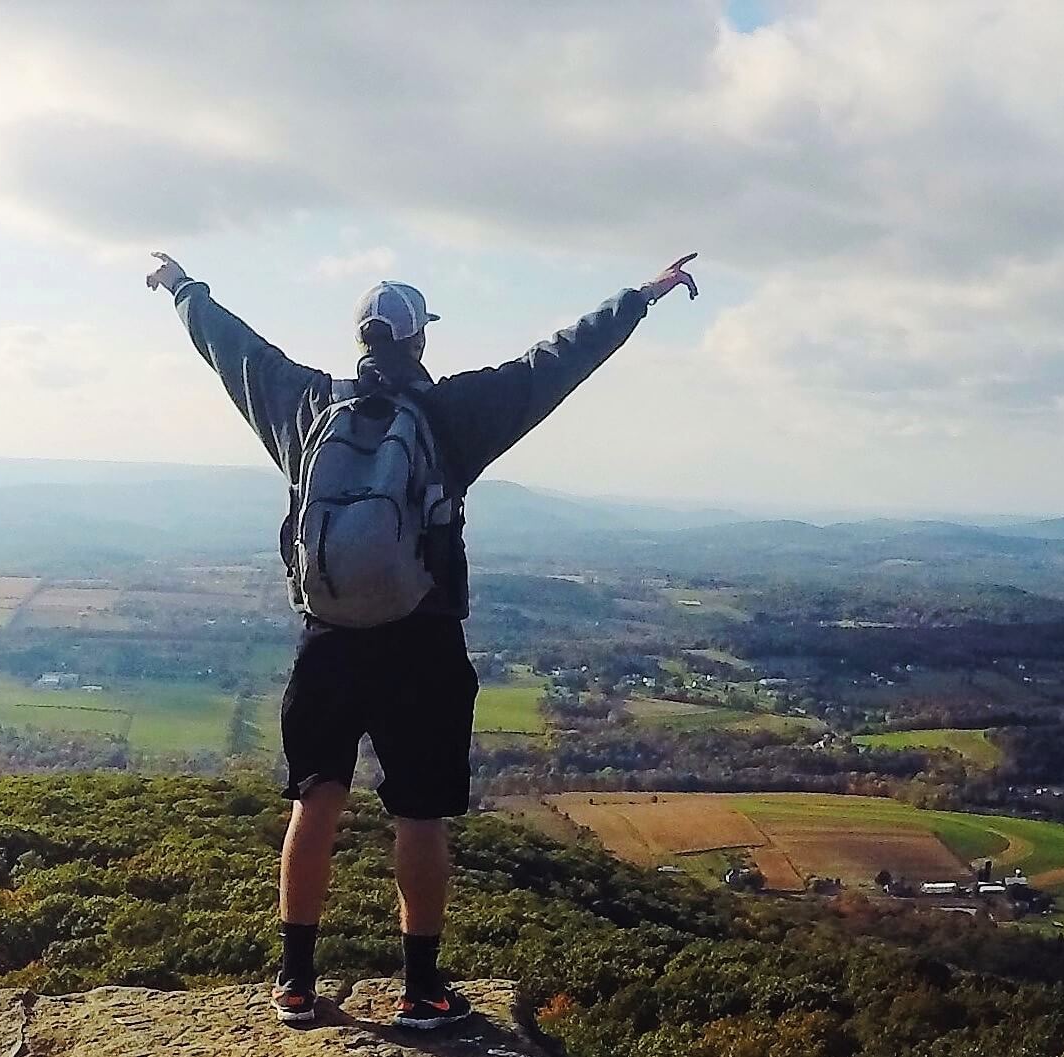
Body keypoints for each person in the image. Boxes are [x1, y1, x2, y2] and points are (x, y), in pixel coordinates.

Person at [143, 250, 699, 1030]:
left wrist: (180, 287)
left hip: (327, 638)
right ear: (419, 342)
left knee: (316, 800)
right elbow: (554, 362)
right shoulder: (452, 414)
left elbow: (230, 346)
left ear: (362, 338)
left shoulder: (304, 404)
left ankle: (295, 983)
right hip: (422, 639)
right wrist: (639, 297)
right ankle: (421, 991)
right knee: (419, 815)